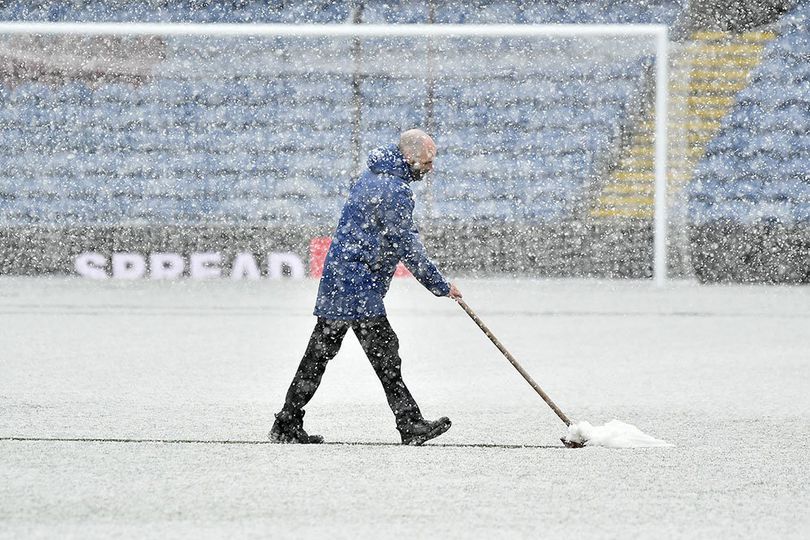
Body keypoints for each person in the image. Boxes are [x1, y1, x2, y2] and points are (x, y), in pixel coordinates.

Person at [270, 129, 462, 445]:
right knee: (385, 353)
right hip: (356, 285)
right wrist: (440, 285)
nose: (430, 168)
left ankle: (288, 422)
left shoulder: (375, 177)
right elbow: (406, 246)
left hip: (342, 279)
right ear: (410, 157)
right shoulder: (393, 190)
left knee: (319, 354)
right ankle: (410, 424)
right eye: (427, 162)